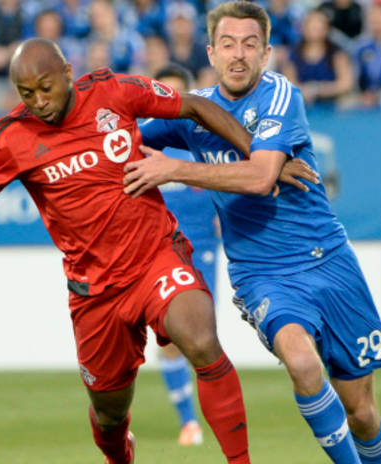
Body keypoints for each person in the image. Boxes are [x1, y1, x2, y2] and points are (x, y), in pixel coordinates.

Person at [0, 38, 263, 464]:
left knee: (202, 340)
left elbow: (193, 105)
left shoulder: (114, 91)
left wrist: (256, 156)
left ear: (67, 73)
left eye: (45, 87)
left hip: (155, 258)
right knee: (109, 414)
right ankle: (120, 456)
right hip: (94, 292)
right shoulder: (12, 137)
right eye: (27, 94)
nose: (39, 101)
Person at [126, 2, 381, 463]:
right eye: (227, 44)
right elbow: (122, 143)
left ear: (266, 53)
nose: (238, 54)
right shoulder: (195, 111)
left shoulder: (280, 96)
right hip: (261, 272)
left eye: (250, 45)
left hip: (328, 259)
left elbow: (260, 177)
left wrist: (176, 167)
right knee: (304, 364)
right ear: (210, 52)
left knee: (363, 412)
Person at [151, 63, 215, 447]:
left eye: (175, 93)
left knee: (202, 338)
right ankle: (189, 421)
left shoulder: (204, 136)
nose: (167, 101)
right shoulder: (140, 138)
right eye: (161, 93)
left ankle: (208, 416)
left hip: (204, 249)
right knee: (173, 337)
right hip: (160, 249)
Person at [282, 9, 354, 107]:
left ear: (326, 28)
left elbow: (346, 84)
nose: (315, 27)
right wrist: (305, 91)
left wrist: (320, 90)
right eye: (311, 24)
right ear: (303, 28)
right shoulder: (293, 54)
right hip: (302, 106)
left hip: (333, 104)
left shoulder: (337, 54)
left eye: (319, 24)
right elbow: (289, 85)